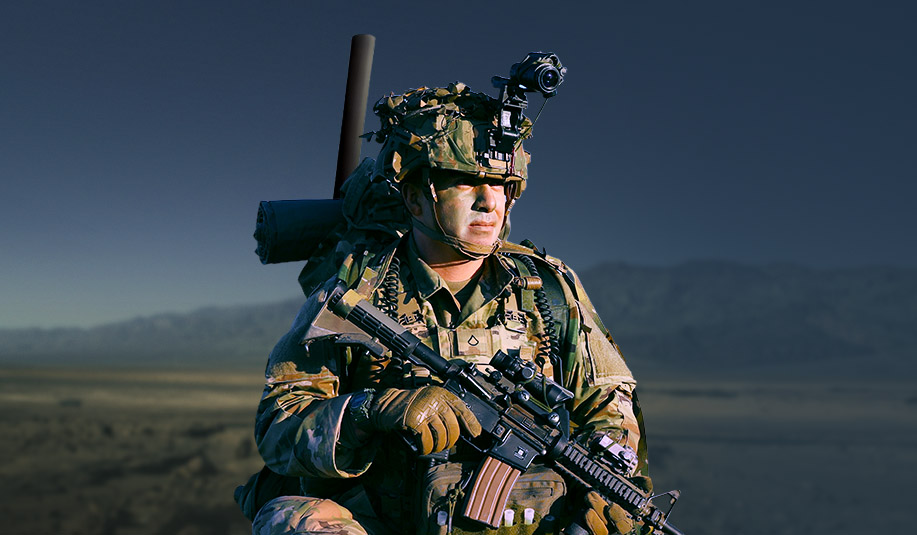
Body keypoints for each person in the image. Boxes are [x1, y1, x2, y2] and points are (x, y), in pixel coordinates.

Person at [236, 83, 652, 535]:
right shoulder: (357, 292)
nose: (489, 201)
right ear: (415, 198)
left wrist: (611, 491)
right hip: (390, 521)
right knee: (297, 523)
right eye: (466, 181)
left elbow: (611, 410)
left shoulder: (548, 289)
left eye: (502, 185)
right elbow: (279, 428)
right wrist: (370, 411)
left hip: (528, 516)